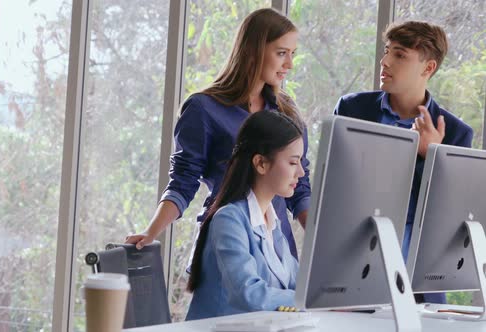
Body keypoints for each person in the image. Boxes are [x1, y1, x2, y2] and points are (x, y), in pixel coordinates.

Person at [125, 8, 311, 259]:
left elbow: (299, 189)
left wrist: (326, 241)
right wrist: (151, 232)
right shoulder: (203, 108)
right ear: (254, 51)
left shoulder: (288, 112)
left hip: (276, 254)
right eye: (281, 53)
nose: (289, 64)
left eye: (292, 54)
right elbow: (183, 181)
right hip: (224, 247)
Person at [334, 21, 473, 303]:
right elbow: (336, 186)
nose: (384, 61)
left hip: (418, 280)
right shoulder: (352, 109)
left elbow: (450, 218)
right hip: (352, 264)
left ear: (428, 68)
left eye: (399, 55)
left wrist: (430, 155)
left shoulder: (457, 133)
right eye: (387, 51)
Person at [186, 110, 304, 320]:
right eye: (293, 163)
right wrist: (308, 300)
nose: (301, 173)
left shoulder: (271, 223)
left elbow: (298, 284)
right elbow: (250, 294)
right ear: (261, 163)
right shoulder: (229, 220)